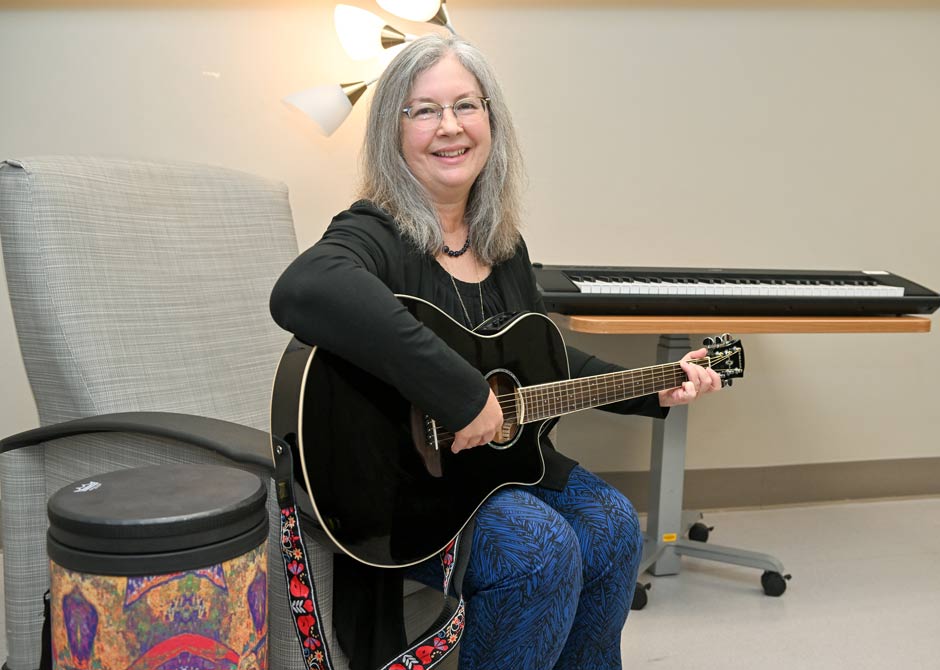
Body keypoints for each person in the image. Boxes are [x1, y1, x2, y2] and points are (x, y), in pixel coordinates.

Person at [270, 33, 722, 670]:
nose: (449, 127)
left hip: (497, 470)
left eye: (466, 105)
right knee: (540, 550)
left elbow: (543, 363)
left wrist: (655, 385)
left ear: (491, 119)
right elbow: (305, 287)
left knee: (616, 526)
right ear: (392, 130)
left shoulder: (502, 244)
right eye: (424, 110)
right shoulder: (375, 230)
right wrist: (460, 396)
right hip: (403, 494)